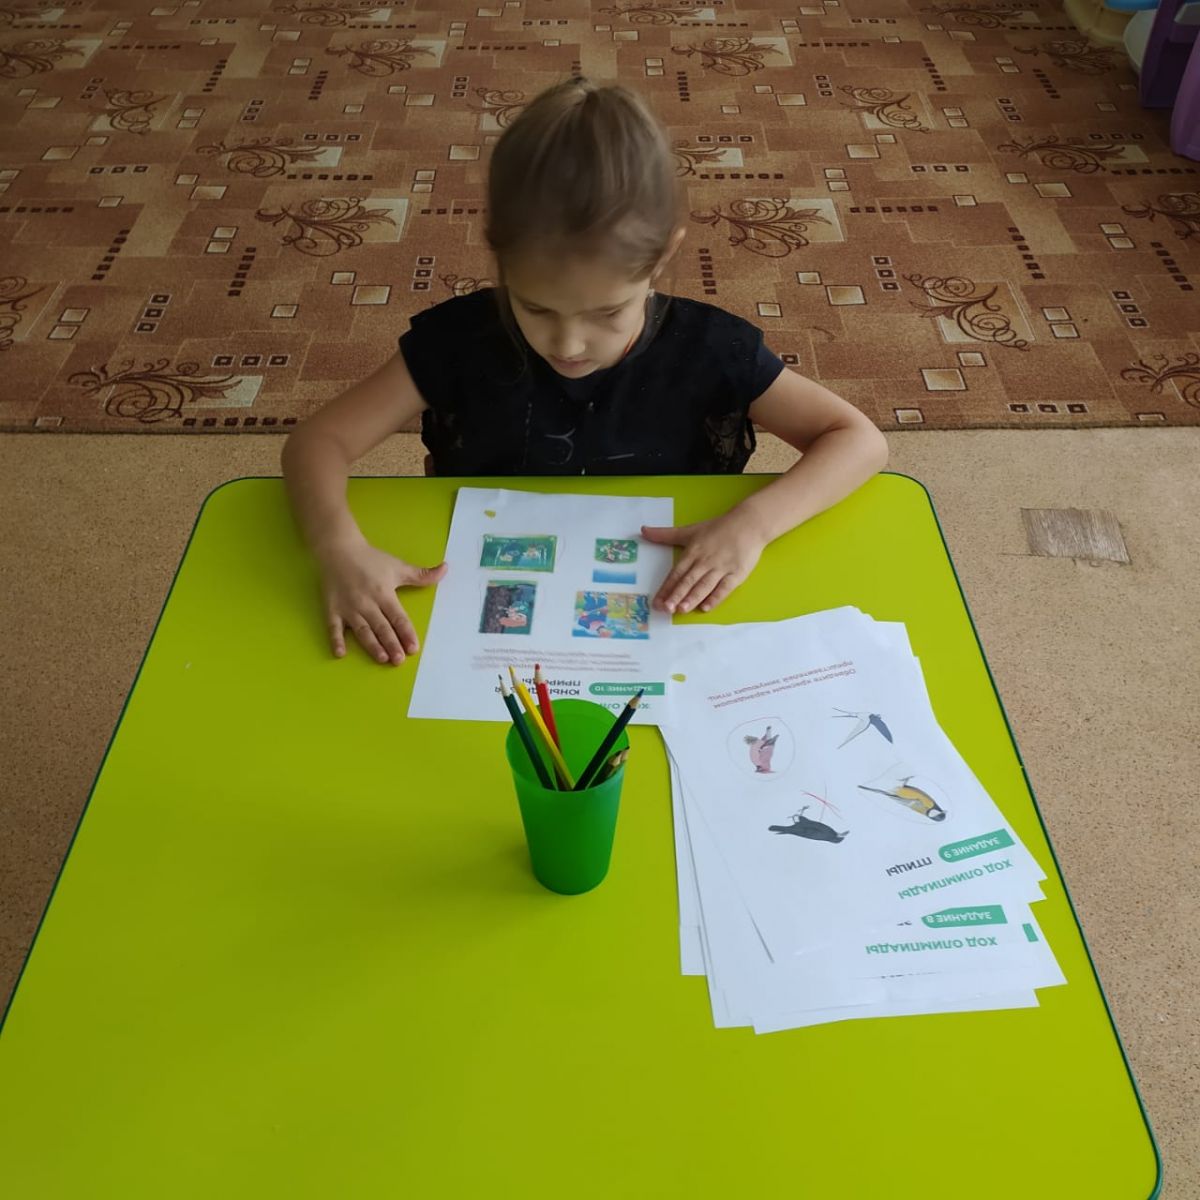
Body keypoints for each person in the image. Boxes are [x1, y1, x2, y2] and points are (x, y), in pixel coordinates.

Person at [281, 77, 888, 667]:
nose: (568, 344)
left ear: (664, 254)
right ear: (500, 257)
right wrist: (338, 547)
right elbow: (317, 442)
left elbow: (858, 440)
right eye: (536, 308)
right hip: (489, 595)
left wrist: (752, 525)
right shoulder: (458, 341)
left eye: (607, 313)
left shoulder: (712, 348)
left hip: (669, 606)